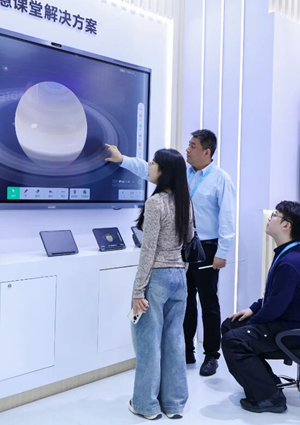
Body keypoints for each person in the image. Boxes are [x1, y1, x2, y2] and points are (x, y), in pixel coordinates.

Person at [106, 129, 235, 377]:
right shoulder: (182, 172)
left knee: (208, 301)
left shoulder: (221, 179)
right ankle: (186, 349)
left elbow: (227, 219)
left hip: (207, 247)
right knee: (185, 300)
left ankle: (211, 355)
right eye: (188, 144)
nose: (187, 149)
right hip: (181, 245)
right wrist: (122, 159)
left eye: (193, 146)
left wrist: (222, 252)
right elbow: (148, 168)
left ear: (207, 152)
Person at [220, 200, 300, 414]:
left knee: (233, 339)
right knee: (230, 325)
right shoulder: (287, 253)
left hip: (292, 330)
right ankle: (266, 383)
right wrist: (253, 309)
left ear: (286, 226)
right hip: (286, 320)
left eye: (274, 215)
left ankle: (270, 398)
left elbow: (274, 309)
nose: (269, 218)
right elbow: (273, 296)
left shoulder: (289, 262)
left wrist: (250, 324)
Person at [128, 148, 194, 421]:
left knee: (148, 344)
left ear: (164, 171)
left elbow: (148, 250)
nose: (150, 166)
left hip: (156, 278)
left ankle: (146, 405)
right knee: (175, 342)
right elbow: (188, 240)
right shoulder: (185, 201)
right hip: (179, 278)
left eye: (153, 162)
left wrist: (137, 290)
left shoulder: (155, 203)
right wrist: (180, 270)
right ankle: (174, 404)